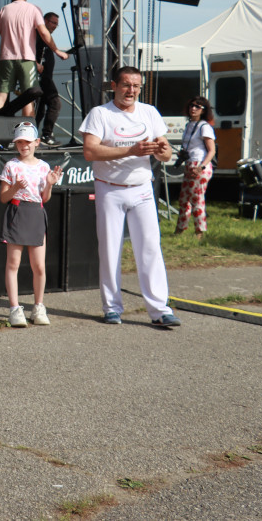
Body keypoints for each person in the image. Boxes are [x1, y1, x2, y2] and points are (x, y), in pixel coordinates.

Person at [80, 66, 181, 327]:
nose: (131, 91)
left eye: (136, 86)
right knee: (110, 249)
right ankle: (112, 308)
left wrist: (161, 151)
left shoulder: (149, 112)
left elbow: (166, 153)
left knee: (150, 248)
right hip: (109, 189)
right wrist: (131, 150)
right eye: (126, 85)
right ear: (114, 85)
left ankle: (160, 309)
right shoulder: (100, 114)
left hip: (142, 189)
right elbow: (90, 152)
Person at [0, 122, 63, 327]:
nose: (23, 145)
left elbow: (44, 197)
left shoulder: (44, 167)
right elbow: (3, 197)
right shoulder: (11, 165)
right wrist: (16, 187)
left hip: (36, 213)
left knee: (39, 266)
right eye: (19, 142)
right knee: (13, 264)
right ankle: (15, 309)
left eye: (27, 141)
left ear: (37, 142)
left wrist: (50, 184)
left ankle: (38, 306)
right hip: (17, 213)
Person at [0, 0, 67, 117]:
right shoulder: (34, 9)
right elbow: (44, 33)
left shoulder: (4, 10)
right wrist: (57, 50)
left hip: (6, 60)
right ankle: (28, 136)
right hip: (27, 61)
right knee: (28, 99)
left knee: (0, 97)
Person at [175, 96, 216, 237]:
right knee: (184, 198)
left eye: (197, 106)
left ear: (203, 110)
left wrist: (201, 167)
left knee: (197, 198)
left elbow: (212, 150)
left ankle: (200, 232)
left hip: (199, 164)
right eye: (191, 105)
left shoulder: (204, 127)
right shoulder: (189, 125)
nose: (193, 108)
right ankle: (180, 229)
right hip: (189, 163)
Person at [34, 12, 62, 146]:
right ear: (45, 20)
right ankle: (46, 134)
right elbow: (28, 51)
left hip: (46, 78)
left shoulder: (47, 37)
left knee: (40, 110)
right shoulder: (38, 35)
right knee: (55, 103)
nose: (55, 26)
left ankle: (35, 136)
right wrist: (35, 64)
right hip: (41, 78)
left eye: (57, 24)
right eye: (53, 22)